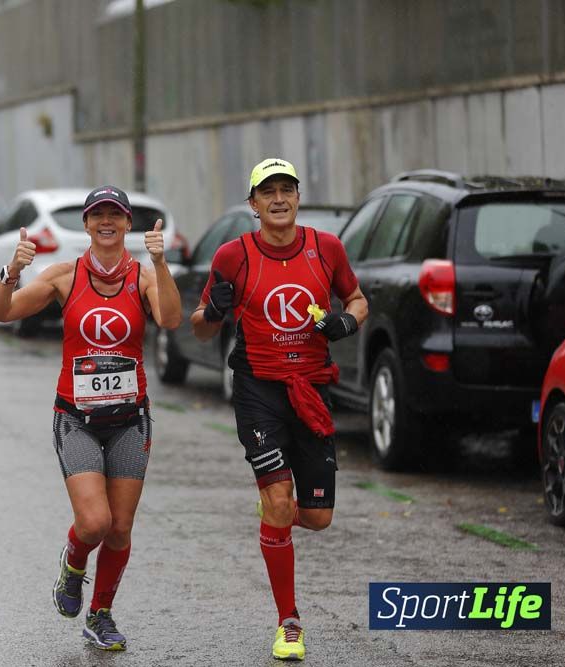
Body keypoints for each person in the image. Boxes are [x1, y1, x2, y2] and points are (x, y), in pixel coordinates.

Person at [0, 186, 182, 652]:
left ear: (128, 224)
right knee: (94, 523)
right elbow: (0, 312)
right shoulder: (63, 277)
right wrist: (12, 271)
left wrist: (159, 263)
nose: (107, 221)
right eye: (99, 215)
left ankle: (101, 614)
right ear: (87, 225)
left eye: (116, 214)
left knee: (119, 528)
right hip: (76, 418)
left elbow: (171, 320)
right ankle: (73, 565)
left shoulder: (143, 277)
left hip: (130, 420)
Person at [190, 159, 368, 662]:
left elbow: (357, 300)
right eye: (267, 192)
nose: (278, 199)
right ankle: (289, 623)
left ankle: (278, 513)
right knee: (278, 500)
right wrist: (217, 310)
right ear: (253, 204)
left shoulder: (326, 248)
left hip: (310, 389)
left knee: (317, 516)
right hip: (258, 390)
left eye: (286, 189)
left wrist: (345, 324)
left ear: (297, 197)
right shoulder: (232, 256)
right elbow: (199, 327)